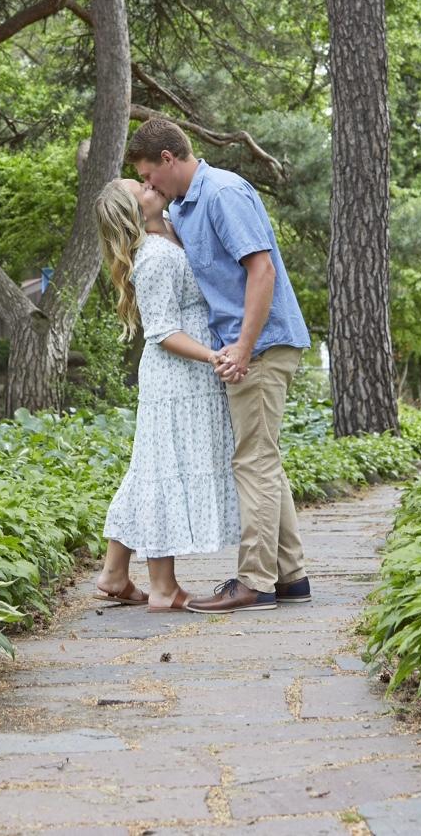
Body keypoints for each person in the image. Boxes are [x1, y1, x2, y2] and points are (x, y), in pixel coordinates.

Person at [128, 117, 311, 613]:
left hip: (262, 346)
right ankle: (291, 576)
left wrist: (244, 348)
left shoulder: (223, 193)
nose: (147, 186)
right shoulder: (186, 207)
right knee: (262, 457)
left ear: (168, 159)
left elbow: (262, 269)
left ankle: (255, 583)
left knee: (251, 461)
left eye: (148, 176)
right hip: (244, 347)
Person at [92, 177, 241, 613]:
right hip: (177, 376)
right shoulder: (154, 256)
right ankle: (163, 587)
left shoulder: (172, 226)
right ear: (134, 211)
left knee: (149, 470)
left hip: (189, 376)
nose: (147, 182)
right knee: (163, 472)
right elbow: (161, 332)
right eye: (138, 186)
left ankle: (114, 574)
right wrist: (212, 356)